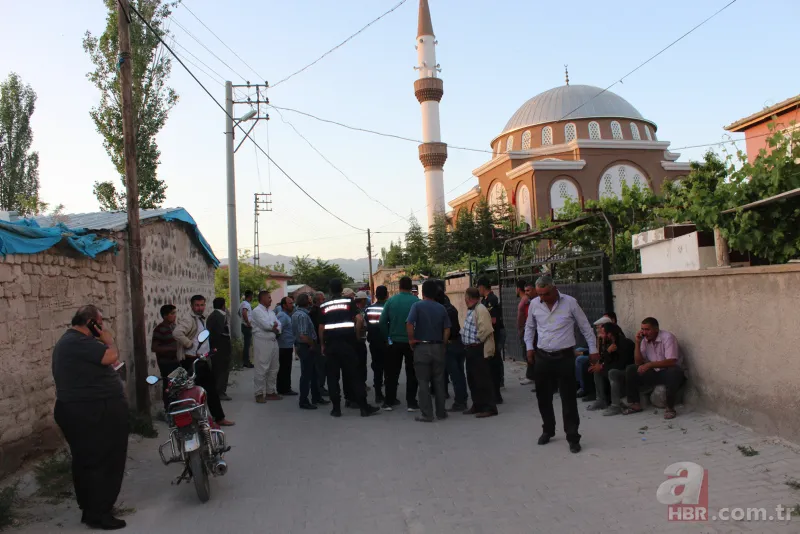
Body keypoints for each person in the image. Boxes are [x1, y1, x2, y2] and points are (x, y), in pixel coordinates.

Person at [52, 305, 128, 530]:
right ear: (92, 323)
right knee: (103, 461)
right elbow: (111, 355)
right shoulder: (78, 342)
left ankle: (91, 509)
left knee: (88, 461)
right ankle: (99, 513)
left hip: (85, 409)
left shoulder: (72, 342)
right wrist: (108, 339)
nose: (103, 327)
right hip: (90, 411)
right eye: (100, 323)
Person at [524, 275, 597, 453]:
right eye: (539, 294)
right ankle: (548, 429)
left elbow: (585, 327)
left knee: (568, 398)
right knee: (543, 396)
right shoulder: (535, 304)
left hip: (564, 357)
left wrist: (593, 349)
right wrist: (529, 347)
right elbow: (530, 327)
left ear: (554, 289)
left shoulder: (570, 302)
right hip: (542, 356)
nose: (542, 298)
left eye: (546, 294)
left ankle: (573, 437)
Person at [319, 279, 380, 418]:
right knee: (355, 376)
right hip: (348, 344)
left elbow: (321, 327)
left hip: (331, 346)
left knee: (333, 378)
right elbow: (359, 319)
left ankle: (336, 409)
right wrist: (357, 335)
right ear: (341, 289)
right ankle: (364, 408)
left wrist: (323, 345)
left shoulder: (324, 305)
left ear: (330, 290)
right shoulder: (348, 302)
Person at [174, 295, 234, 426]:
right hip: (192, 362)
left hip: (201, 360)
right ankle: (205, 420)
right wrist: (188, 344)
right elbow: (177, 333)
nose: (200, 308)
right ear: (192, 306)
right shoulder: (189, 319)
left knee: (208, 391)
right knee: (199, 393)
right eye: (197, 305)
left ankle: (216, 418)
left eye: (202, 305)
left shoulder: (201, 319)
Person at [623, 317, 686, 420]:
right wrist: (638, 343)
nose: (644, 332)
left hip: (671, 371)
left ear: (656, 329)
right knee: (631, 369)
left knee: (673, 372)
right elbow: (638, 362)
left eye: (647, 329)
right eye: (642, 329)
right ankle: (635, 404)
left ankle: (670, 408)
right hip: (656, 372)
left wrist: (649, 365)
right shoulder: (644, 340)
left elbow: (671, 361)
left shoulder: (668, 338)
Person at [406, 280, 451, 422]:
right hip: (438, 346)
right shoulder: (441, 308)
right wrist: (443, 344)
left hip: (421, 347)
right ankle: (441, 412)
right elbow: (447, 328)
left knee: (423, 381)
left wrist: (412, 340)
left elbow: (409, 323)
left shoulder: (416, 306)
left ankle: (427, 414)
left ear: (422, 292)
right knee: (439, 381)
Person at [379, 276, 420, 412]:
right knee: (412, 372)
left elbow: (382, 322)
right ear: (411, 287)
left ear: (399, 286)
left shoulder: (391, 301)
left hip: (394, 342)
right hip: (412, 343)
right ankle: (411, 403)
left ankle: (389, 401)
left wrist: (388, 338)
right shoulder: (416, 302)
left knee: (392, 373)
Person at [461, 287, 498, 418]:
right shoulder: (472, 310)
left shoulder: (481, 309)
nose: (465, 301)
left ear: (469, 298)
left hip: (478, 348)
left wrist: (477, 340)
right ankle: (477, 404)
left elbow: (486, 329)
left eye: (466, 298)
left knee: (482, 379)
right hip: (470, 349)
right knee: (472, 379)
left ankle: (489, 407)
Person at [586, 322, 635, 416]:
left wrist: (603, 366)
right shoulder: (611, 344)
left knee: (612, 372)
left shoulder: (624, 343)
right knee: (597, 371)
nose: (601, 335)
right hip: (616, 368)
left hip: (626, 371)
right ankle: (601, 401)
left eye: (603, 333)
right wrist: (606, 351)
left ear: (610, 333)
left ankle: (615, 406)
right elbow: (601, 359)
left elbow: (621, 364)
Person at [291, 293, 330, 410]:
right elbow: (303, 335)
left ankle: (316, 396)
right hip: (306, 346)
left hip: (304, 346)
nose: (311, 301)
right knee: (307, 375)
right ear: (306, 302)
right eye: (309, 300)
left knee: (314, 373)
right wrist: (312, 344)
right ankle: (304, 400)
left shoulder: (298, 314)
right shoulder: (302, 316)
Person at [436, 288, 468, 412]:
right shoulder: (451, 307)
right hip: (459, 343)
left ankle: (460, 402)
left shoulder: (442, 310)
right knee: (460, 373)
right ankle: (462, 398)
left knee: (455, 375)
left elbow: (446, 329)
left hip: (450, 344)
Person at [251, 290, 282, 402]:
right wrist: (273, 327)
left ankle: (270, 391)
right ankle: (259, 393)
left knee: (274, 368)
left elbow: (279, 324)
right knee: (262, 368)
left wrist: (276, 327)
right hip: (262, 342)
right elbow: (266, 325)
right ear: (262, 298)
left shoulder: (271, 312)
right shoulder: (256, 311)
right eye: (269, 297)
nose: (271, 300)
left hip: (273, 341)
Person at [477, 278, 505, 403]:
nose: (478, 290)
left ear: (482, 287)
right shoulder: (484, 300)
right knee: (491, 363)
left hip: (494, 335)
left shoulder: (491, 300)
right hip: (491, 336)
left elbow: (493, 321)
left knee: (494, 363)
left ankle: (497, 393)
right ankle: (495, 391)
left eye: (479, 288)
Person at [151, 304, 179, 409]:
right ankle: (168, 409)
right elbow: (155, 348)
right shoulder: (160, 329)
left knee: (177, 386)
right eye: (172, 314)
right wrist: (172, 349)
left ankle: (177, 407)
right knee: (168, 386)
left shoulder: (174, 327)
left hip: (175, 361)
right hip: (166, 363)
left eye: (174, 313)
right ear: (165, 316)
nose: (174, 316)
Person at [365, 286, 389, 405]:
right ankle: (390, 396)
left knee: (377, 368)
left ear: (375, 295)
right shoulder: (389, 308)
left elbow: (365, 325)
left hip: (374, 342)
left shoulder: (369, 309)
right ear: (387, 295)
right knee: (389, 368)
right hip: (387, 342)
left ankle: (378, 394)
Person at [206, 297, 232, 401]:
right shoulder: (219, 316)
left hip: (217, 346)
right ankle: (220, 391)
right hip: (220, 347)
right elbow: (223, 332)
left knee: (219, 369)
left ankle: (219, 390)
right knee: (221, 369)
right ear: (223, 305)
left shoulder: (213, 316)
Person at [276, 297, 299, 396]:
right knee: (284, 368)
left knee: (286, 368)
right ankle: (284, 389)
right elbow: (278, 330)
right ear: (284, 305)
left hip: (287, 345)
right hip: (283, 347)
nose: (292, 305)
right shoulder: (282, 316)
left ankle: (285, 388)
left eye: (293, 303)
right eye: (290, 303)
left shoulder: (286, 315)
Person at [310, 291, 328, 394]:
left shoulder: (319, 310)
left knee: (323, 366)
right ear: (317, 300)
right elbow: (319, 327)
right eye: (323, 299)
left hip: (320, 341)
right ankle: (319, 388)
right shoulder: (315, 312)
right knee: (320, 366)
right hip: (318, 342)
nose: (324, 301)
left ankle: (320, 387)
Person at [516, 279, 533, 386]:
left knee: (528, 353)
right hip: (524, 329)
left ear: (518, 289)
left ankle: (531, 376)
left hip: (526, 329)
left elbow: (524, 315)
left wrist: (522, 329)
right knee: (526, 353)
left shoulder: (526, 300)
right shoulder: (525, 300)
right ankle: (530, 374)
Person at [354, 291, 371, 400]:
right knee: (360, 365)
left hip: (358, 341)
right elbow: (359, 323)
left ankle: (360, 384)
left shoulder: (357, 309)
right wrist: (358, 338)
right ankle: (360, 386)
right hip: (358, 342)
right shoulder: (358, 311)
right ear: (363, 300)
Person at [238, 290, 255, 368]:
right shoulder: (246, 304)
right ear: (250, 296)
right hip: (246, 326)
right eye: (252, 296)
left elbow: (239, 313)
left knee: (247, 344)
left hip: (244, 325)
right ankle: (246, 362)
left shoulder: (242, 303)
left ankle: (246, 361)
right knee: (247, 345)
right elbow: (244, 313)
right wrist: (248, 322)